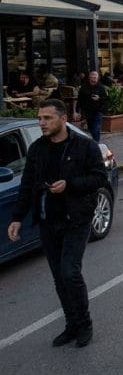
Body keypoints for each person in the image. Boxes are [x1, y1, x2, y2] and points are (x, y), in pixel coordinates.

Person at [7, 99, 108, 348]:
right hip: (47, 220)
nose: (41, 123)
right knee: (59, 277)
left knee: (69, 272)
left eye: (47, 118)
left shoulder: (85, 146)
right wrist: (17, 218)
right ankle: (71, 324)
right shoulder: (37, 149)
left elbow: (99, 177)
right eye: (40, 118)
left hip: (76, 219)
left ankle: (84, 324)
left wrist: (69, 184)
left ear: (63, 119)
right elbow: (27, 184)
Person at [76, 72, 106, 142]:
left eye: (95, 78)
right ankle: (95, 142)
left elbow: (105, 99)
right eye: (92, 77)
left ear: (97, 78)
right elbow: (80, 99)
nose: (93, 79)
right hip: (87, 110)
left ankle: (96, 143)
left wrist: (99, 98)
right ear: (89, 78)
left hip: (98, 110)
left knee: (96, 128)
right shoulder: (84, 87)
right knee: (91, 128)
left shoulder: (101, 87)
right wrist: (77, 111)